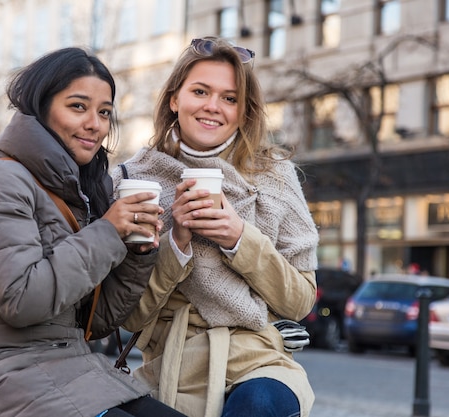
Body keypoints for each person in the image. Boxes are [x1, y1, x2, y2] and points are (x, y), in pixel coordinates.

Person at [0, 47, 187, 417]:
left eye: (104, 112)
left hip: (68, 367)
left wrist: (137, 253)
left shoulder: (77, 192)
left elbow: (94, 322)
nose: (95, 124)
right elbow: (21, 301)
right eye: (77, 106)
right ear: (41, 108)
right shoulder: (0, 182)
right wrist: (107, 231)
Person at [112, 37, 319, 417]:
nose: (213, 106)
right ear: (174, 99)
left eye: (229, 98)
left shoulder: (275, 176)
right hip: (167, 369)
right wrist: (176, 242)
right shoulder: (132, 181)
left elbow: (300, 301)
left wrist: (239, 238)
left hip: (259, 363)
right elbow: (128, 316)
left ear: (244, 111)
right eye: (201, 91)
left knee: (258, 404)